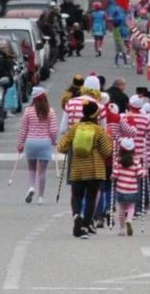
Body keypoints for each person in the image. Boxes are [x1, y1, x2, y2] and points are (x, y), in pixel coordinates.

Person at [57, 100, 113, 239]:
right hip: (95, 170)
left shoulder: (75, 128)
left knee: (76, 195)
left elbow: (61, 147)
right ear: (95, 115)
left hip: (77, 168)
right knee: (91, 198)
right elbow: (107, 151)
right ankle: (85, 226)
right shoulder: (99, 130)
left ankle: (76, 215)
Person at [17, 87, 58, 205]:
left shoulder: (28, 111)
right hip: (44, 142)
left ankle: (31, 187)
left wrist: (20, 144)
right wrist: (54, 141)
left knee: (31, 168)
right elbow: (53, 130)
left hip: (31, 142)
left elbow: (23, 129)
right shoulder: (50, 111)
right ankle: (41, 197)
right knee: (42, 171)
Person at [112, 137, 145, 236]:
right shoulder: (136, 161)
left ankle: (121, 229)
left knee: (121, 209)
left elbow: (115, 175)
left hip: (120, 189)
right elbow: (139, 174)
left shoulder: (118, 161)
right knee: (131, 207)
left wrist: (112, 176)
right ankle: (129, 220)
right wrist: (144, 172)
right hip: (132, 189)